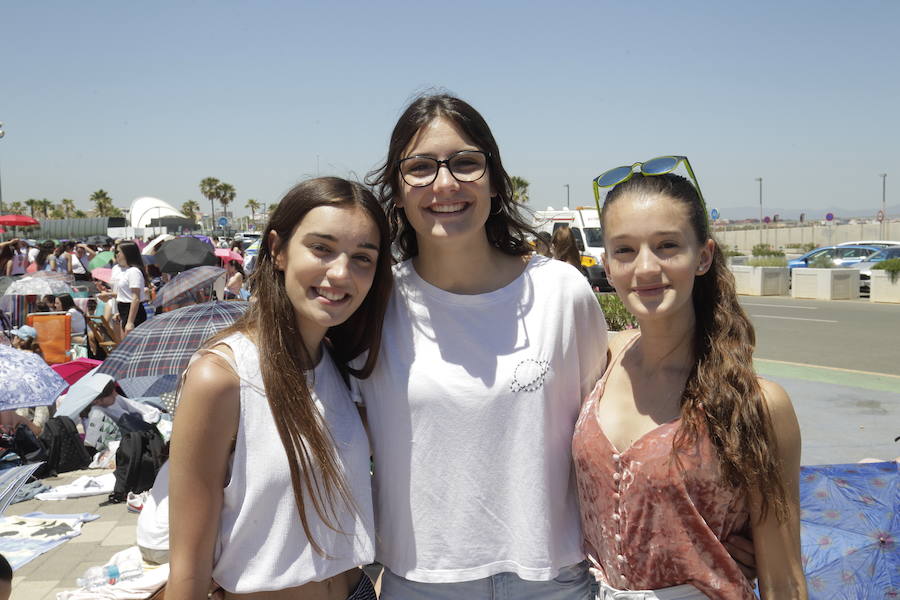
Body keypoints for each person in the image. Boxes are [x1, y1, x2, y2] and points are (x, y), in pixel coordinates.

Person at [359, 93, 608, 599]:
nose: (445, 183)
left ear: (495, 181)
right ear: (398, 189)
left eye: (466, 163)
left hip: (552, 579)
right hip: (423, 581)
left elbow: (605, 431)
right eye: (421, 167)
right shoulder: (373, 304)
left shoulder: (562, 292)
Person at [573, 160, 805, 599]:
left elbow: (783, 579)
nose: (645, 268)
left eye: (666, 246)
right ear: (606, 263)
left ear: (703, 256)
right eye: (624, 250)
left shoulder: (756, 405)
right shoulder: (596, 358)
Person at [168, 177, 392, 600]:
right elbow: (188, 566)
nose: (341, 273)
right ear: (278, 249)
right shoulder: (222, 377)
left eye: (363, 258)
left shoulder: (343, 367)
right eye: (322, 249)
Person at [112, 241, 148, 334]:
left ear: (126, 253)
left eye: (118, 252)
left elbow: (135, 298)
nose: (116, 255)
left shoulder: (134, 271)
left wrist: (130, 322)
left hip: (132, 313)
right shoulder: (127, 271)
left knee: (130, 345)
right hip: (125, 310)